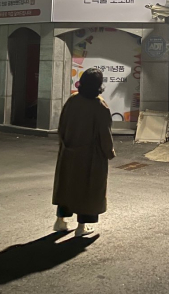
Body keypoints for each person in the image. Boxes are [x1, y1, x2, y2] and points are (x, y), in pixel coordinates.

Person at [52, 68, 115, 237]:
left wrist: (64, 144)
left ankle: (60, 221)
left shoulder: (73, 100)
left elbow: (62, 125)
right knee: (88, 189)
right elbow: (104, 133)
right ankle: (81, 226)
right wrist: (109, 152)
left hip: (69, 152)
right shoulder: (99, 105)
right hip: (91, 156)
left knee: (66, 186)